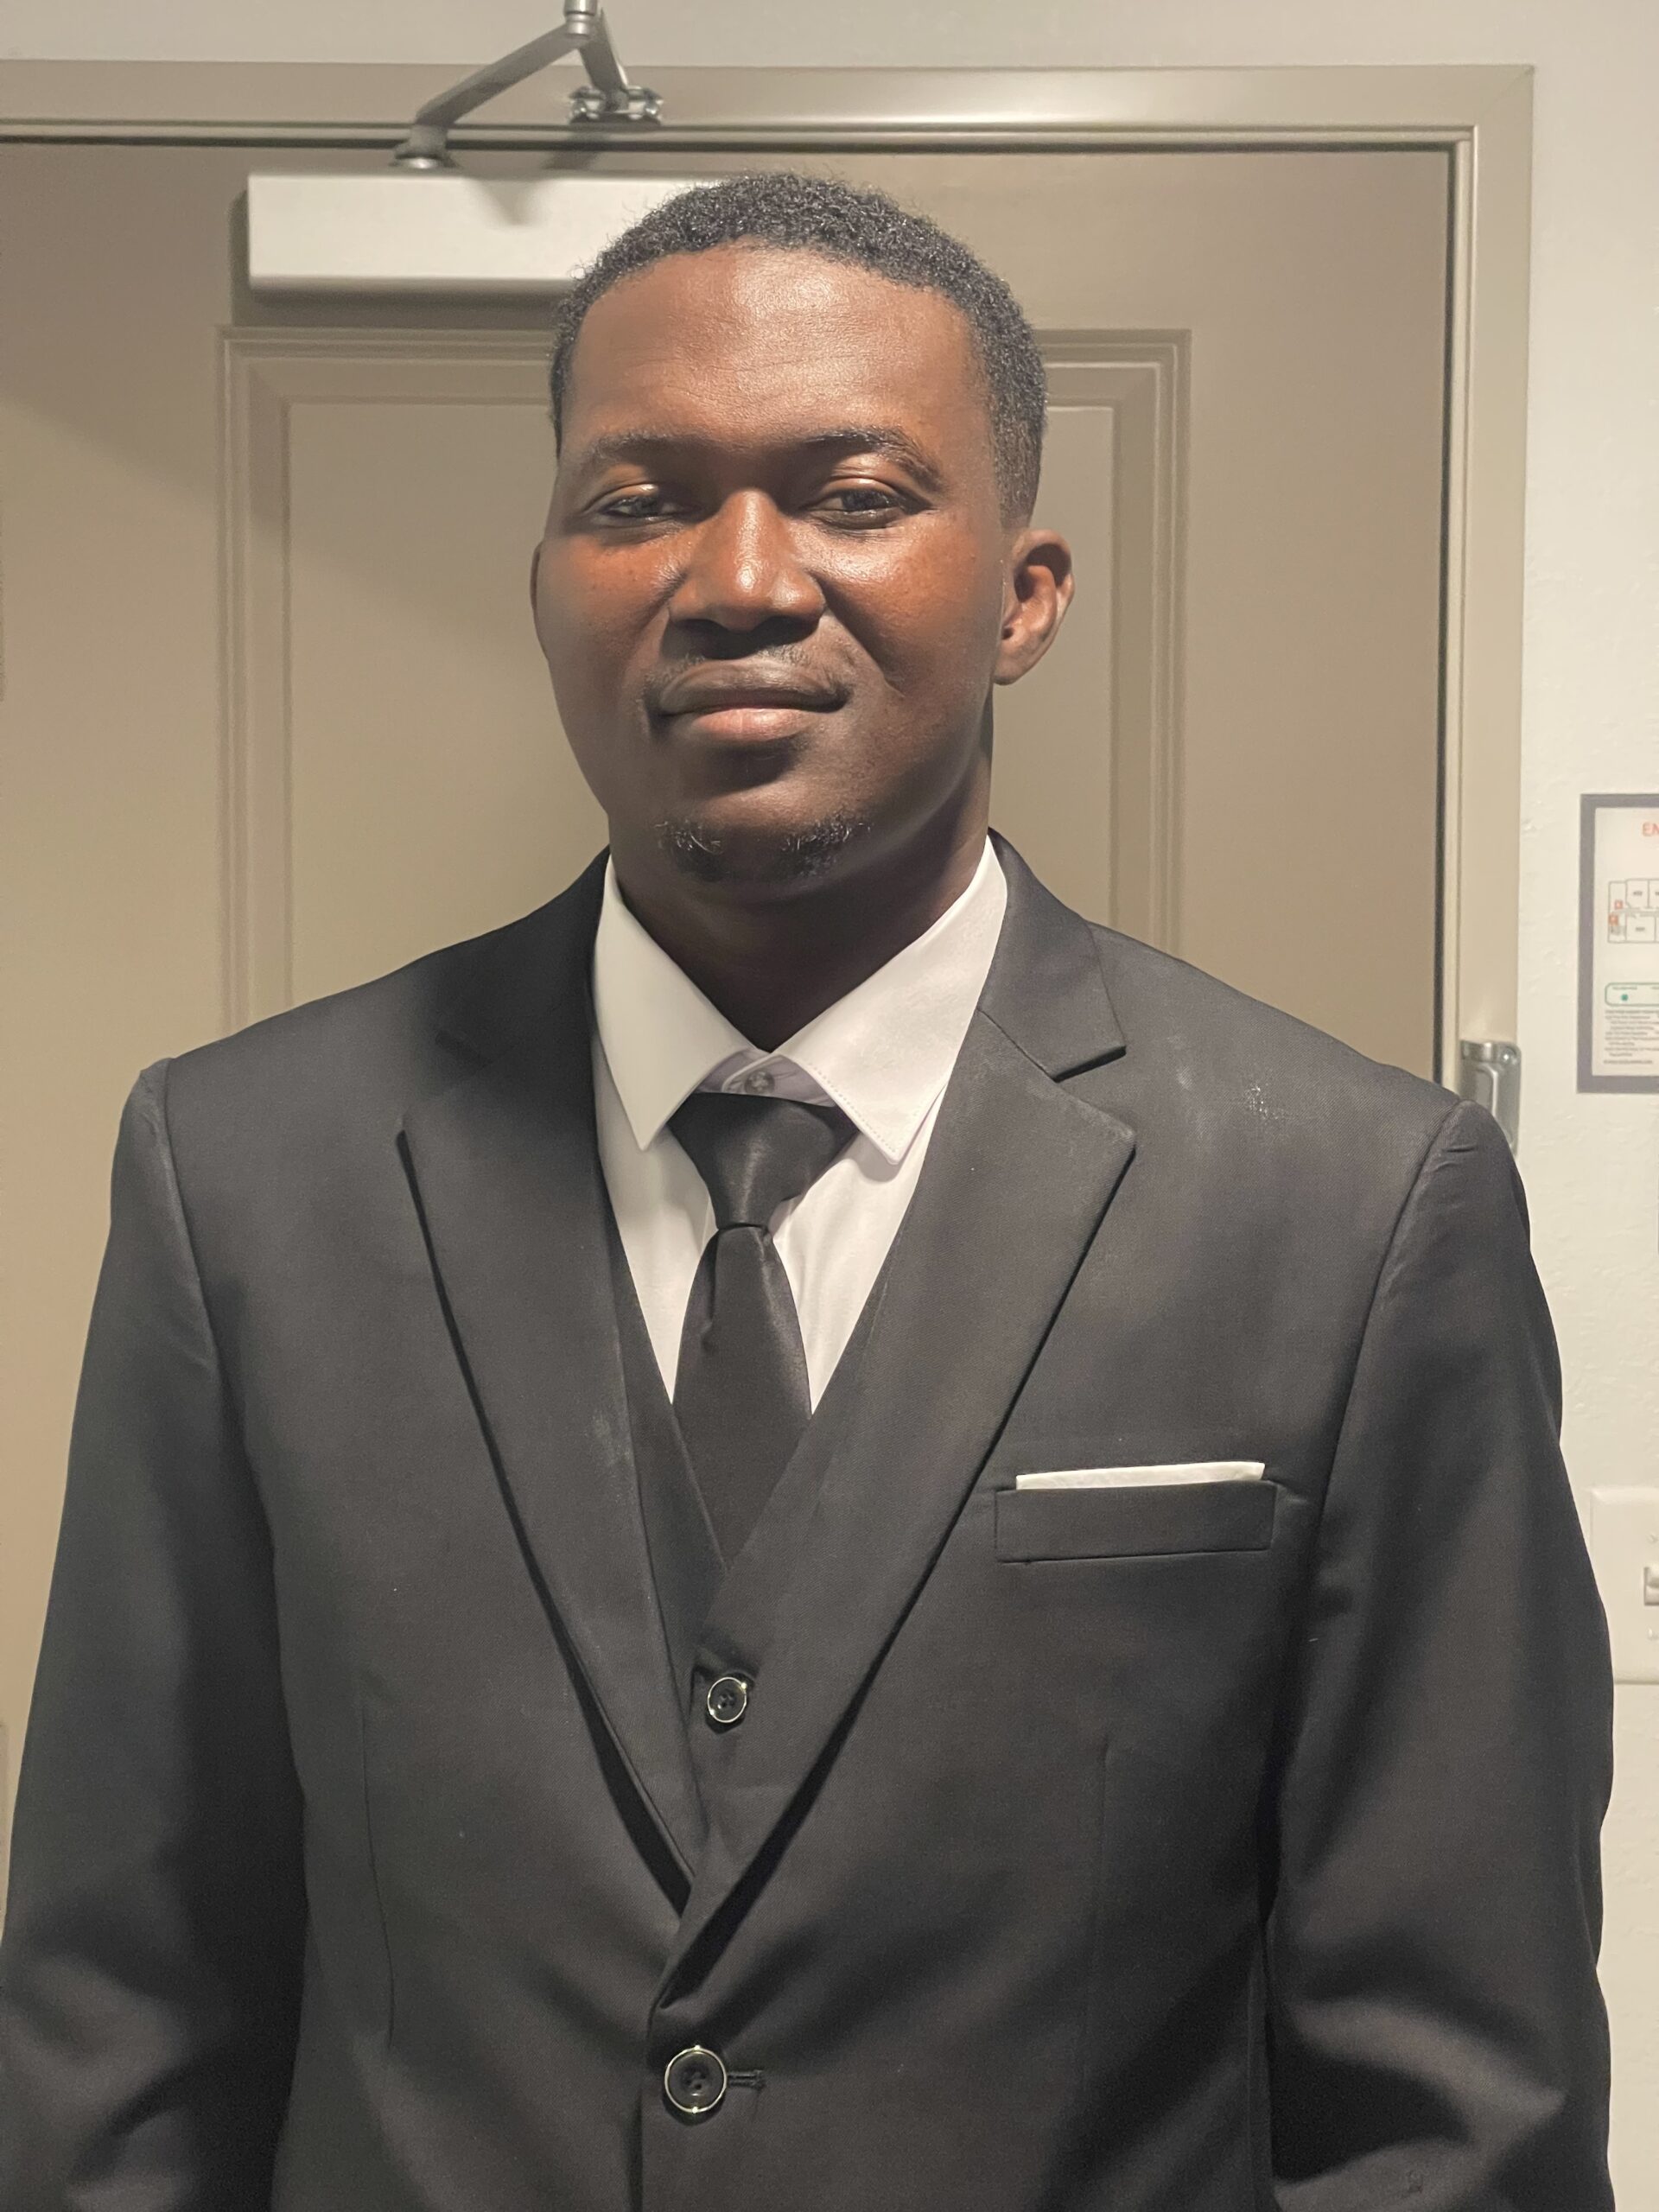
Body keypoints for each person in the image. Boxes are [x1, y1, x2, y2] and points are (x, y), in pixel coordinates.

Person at [0, 171, 1612, 2212]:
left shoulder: (1354, 1205)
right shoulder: (243, 1175)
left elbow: (1457, 2111)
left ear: (1024, 591)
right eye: (639, 498)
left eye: (855, 495)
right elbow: (125, 2009)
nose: (742, 578)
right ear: (546, 581)